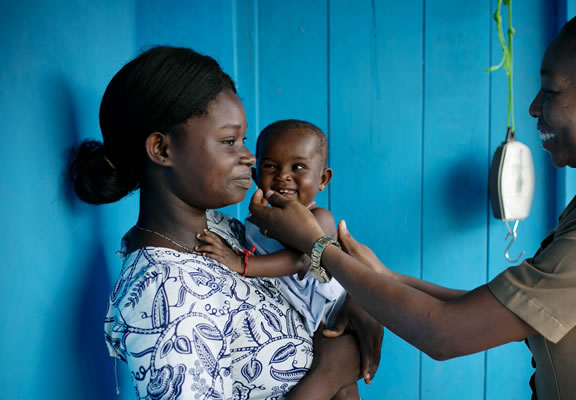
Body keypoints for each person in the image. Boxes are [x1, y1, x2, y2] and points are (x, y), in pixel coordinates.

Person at [246, 0, 576, 398]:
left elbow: (446, 333)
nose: (532, 108)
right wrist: (380, 276)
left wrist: (318, 247)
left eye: (551, 91)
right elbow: (487, 309)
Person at [68, 46, 373, 399]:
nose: (249, 156)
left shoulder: (222, 228)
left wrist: (357, 303)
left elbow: (305, 280)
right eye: (229, 141)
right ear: (162, 150)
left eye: (243, 140)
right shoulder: (163, 296)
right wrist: (331, 370)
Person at [195, 119, 364, 393]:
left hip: (330, 317)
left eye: (298, 167)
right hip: (299, 322)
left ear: (323, 179)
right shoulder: (255, 220)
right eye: (271, 166)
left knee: (342, 391)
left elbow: (300, 260)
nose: (283, 176)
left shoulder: (318, 219)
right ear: (255, 175)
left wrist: (241, 264)